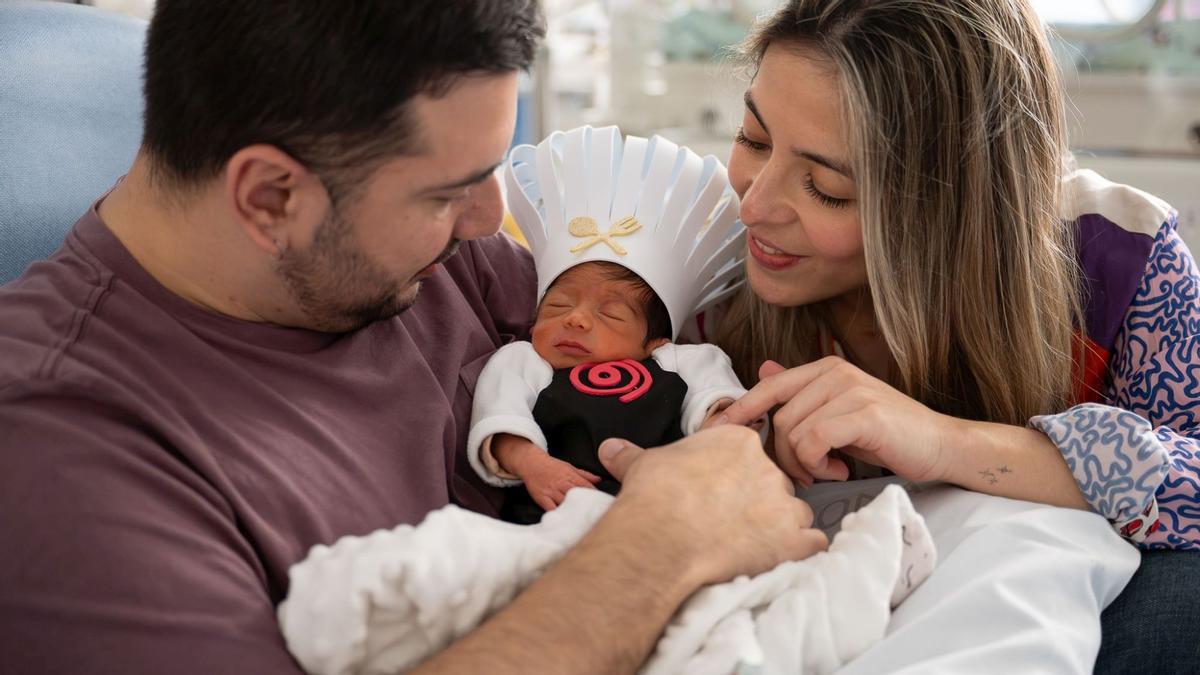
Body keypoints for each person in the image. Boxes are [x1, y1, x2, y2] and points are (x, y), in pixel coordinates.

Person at [0, 2, 828, 673]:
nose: (485, 222)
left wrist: (953, 438)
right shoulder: (59, 453)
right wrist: (659, 550)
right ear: (269, 197)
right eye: (449, 193)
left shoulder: (442, 266)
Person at [702, 0, 1199, 670]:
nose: (753, 204)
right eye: (755, 139)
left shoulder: (1122, 257)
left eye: (826, 188)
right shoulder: (695, 258)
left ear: (949, 205)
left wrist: (946, 442)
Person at [467, 127, 752, 522]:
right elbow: (500, 416)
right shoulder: (522, 361)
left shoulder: (682, 360)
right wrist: (534, 464)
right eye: (557, 306)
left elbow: (720, 402)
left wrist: (716, 423)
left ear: (655, 340)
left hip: (668, 511)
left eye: (611, 314)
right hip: (553, 514)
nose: (576, 318)